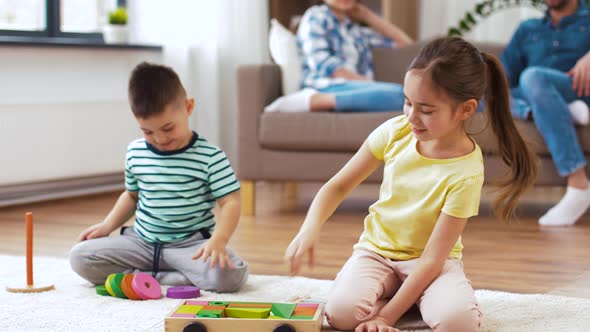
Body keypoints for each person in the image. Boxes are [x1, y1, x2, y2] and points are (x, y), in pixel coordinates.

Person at [285, 37, 537, 332]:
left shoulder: (466, 171)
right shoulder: (395, 132)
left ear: (466, 110)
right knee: (341, 314)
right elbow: (337, 186)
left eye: (427, 110)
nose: (411, 116)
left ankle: (410, 302)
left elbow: (432, 259)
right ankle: (413, 303)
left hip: (432, 263)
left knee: (459, 323)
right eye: (407, 102)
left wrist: (385, 318)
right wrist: (310, 227)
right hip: (377, 252)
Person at [69, 62, 248, 292]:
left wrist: (219, 240)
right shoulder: (135, 152)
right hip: (141, 243)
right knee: (79, 257)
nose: (160, 139)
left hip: (189, 246)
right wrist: (107, 225)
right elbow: (131, 197)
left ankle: (148, 277)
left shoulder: (210, 157)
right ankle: (166, 277)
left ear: (188, 107)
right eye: (148, 131)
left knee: (228, 276)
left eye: (168, 128)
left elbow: (230, 202)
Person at [501, 0, 590, 226]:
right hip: (532, 94)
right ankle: (549, 111)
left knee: (533, 77)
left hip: (576, 90)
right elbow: (502, 76)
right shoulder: (528, 28)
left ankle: (579, 183)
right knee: (488, 91)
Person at [265, 0, 413, 113]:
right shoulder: (316, 16)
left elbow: (406, 45)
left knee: (408, 96)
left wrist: (367, 15)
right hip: (325, 85)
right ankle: (312, 100)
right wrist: (371, 85)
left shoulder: (354, 30)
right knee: (404, 96)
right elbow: (327, 66)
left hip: (351, 87)